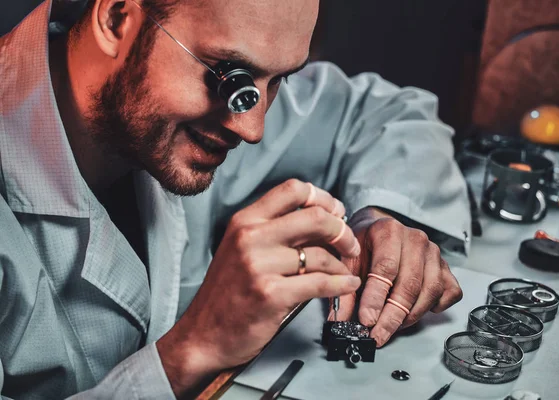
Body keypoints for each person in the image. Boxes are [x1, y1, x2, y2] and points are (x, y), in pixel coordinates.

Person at [0, 0, 470, 398]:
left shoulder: (199, 105)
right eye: (232, 77)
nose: (253, 128)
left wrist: (382, 220)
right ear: (118, 17)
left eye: (279, 81)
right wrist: (195, 348)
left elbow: (390, 112)